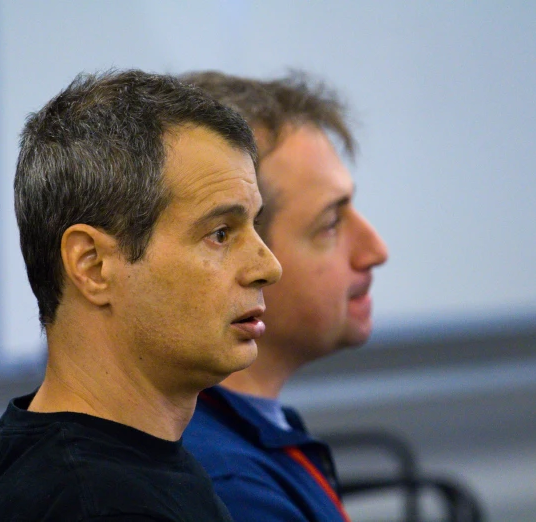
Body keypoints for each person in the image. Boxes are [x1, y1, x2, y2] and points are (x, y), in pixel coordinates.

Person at [0, 70, 282, 522]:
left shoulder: (75, 458)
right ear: (92, 265)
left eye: (255, 226)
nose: (268, 267)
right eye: (220, 233)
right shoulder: (96, 505)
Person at [181, 71, 389, 522]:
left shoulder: (245, 439)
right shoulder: (230, 490)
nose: (376, 250)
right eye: (330, 224)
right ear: (238, 253)